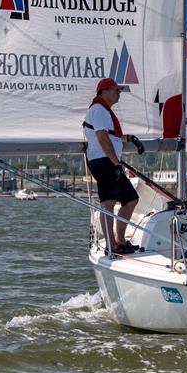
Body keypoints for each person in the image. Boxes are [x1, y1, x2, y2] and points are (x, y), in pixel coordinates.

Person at [83, 77, 145, 255]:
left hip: (109, 162)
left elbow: (111, 135)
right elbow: (102, 138)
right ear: (104, 92)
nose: (119, 93)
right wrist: (116, 164)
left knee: (131, 199)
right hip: (104, 162)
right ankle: (111, 245)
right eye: (116, 90)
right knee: (108, 204)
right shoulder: (99, 110)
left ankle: (120, 240)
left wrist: (130, 138)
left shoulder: (104, 111)